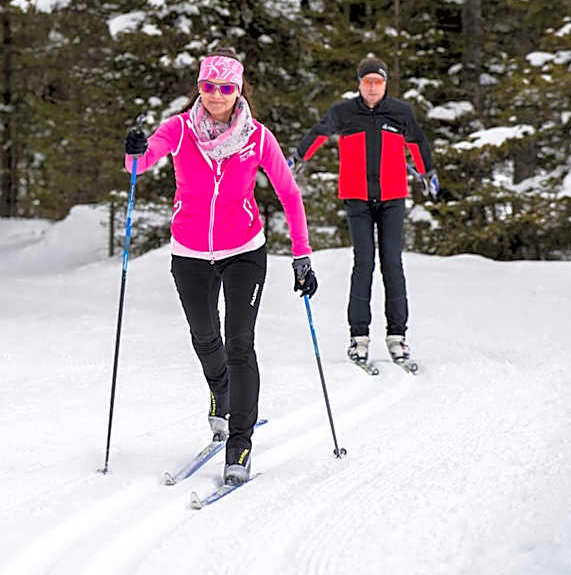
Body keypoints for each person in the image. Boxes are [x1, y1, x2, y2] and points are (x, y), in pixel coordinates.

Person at [124, 50, 317, 485]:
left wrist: (301, 254)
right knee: (204, 336)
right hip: (190, 251)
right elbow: (141, 163)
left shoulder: (257, 137)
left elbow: (288, 193)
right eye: (209, 86)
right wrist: (134, 151)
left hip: (244, 250)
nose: (216, 95)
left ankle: (240, 444)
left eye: (226, 87)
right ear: (199, 87)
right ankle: (220, 393)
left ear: (238, 90)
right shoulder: (179, 129)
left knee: (239, 345)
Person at [290, 56, 439, 367]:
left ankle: (397, 336)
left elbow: (417, 141)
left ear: (385, 85)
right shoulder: (343, 112)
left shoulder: (399, 112)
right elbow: (319, 132)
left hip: (392, 197)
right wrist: (299, 158)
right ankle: (359, 337)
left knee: (392, 264)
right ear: (359, 84)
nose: (373, 88)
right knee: (364, 263)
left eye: (378, 82)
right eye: (368, 82)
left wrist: (427, 173)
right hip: (357, 198)